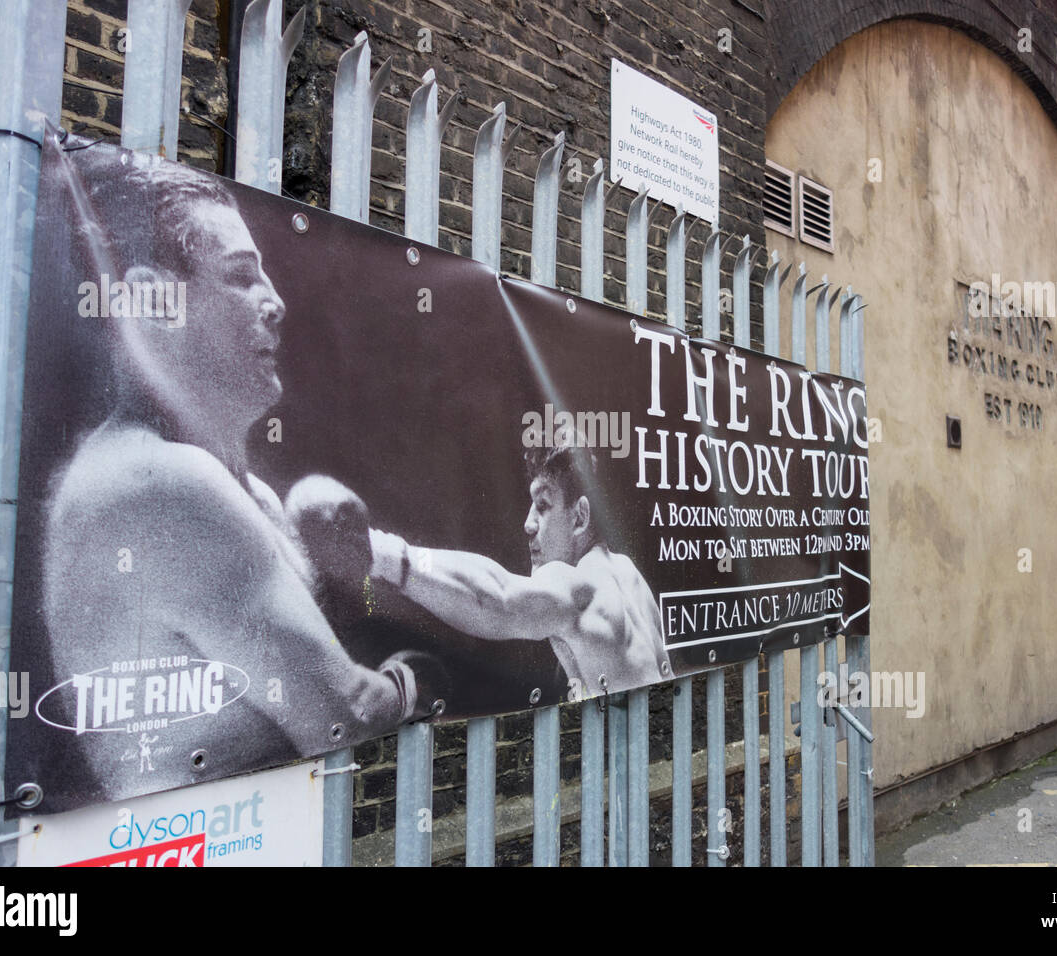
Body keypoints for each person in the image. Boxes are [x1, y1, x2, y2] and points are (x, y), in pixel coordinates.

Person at [41, 147, 417, 801]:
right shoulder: (158, 481)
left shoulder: (239, 488)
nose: (275, 302)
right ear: (154, 299)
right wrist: (429, 675)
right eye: (242, 276)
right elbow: (344, 714)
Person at [294, 444, 674, 700]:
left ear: (579, 517)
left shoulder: (581, 588)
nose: (528, 524)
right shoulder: (628, 575)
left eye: (543, 506)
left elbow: (499, 599)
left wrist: (379, 552)